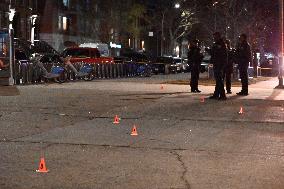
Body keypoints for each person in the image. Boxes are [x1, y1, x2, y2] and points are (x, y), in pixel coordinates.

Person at [208, 32, 227, 100]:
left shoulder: (221, 44)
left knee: (219, 80)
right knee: (218, 80)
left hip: (219, 63)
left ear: (218, 36)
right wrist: (209, 51)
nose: (214, 38)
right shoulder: (217, 43)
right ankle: (216, 94)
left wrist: (222, 64)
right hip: (217, 63)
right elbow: (214, 53)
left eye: (215, 36)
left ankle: (222, 95)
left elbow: (222, 54)